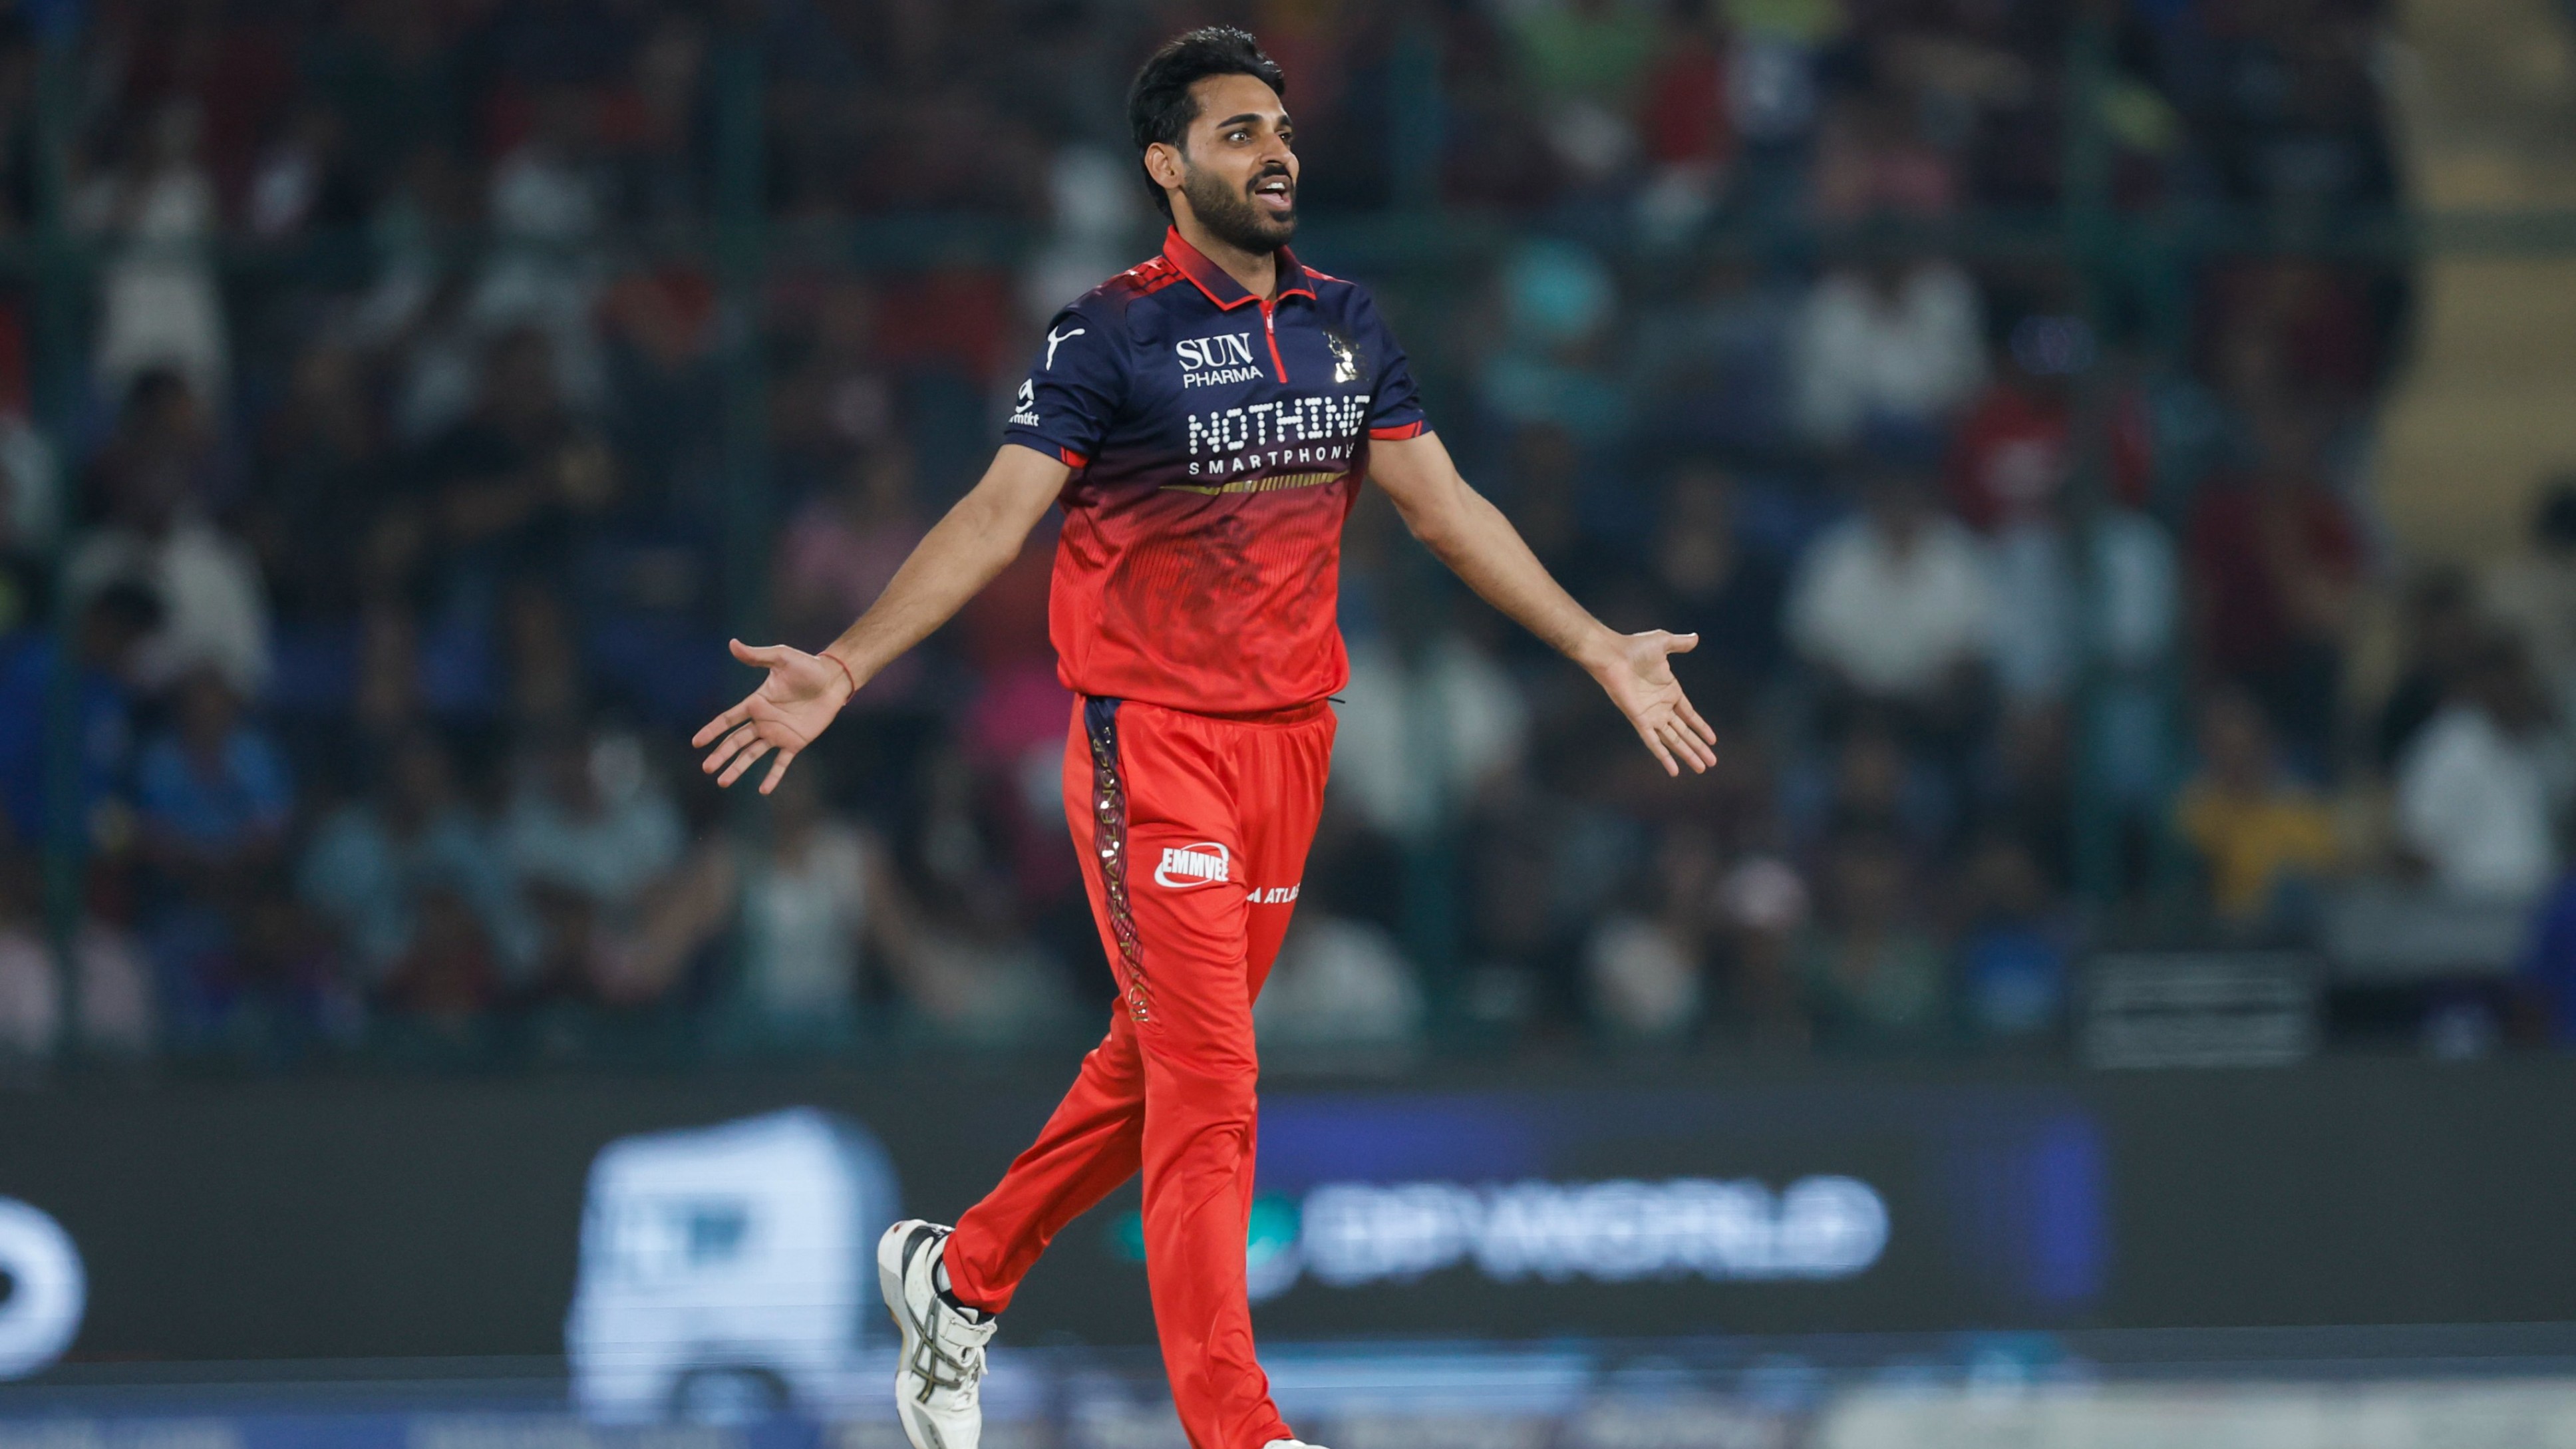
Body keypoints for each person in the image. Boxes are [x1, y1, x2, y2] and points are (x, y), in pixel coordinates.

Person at [690, 30, 1716, 1449]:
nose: (1275, 150)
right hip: (1152, 747)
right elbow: (997, 514)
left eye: (1280, 127)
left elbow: (1445, 508)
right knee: (1216, 1082)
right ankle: (1236, 1429)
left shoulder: (1348, 324)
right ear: (1167, 168)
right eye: (1237, 133)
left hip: (1294, 750)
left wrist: (1597, 641)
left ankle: (959, 1272)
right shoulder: (1105, 334)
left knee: (1156, 1057)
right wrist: (848, 667)